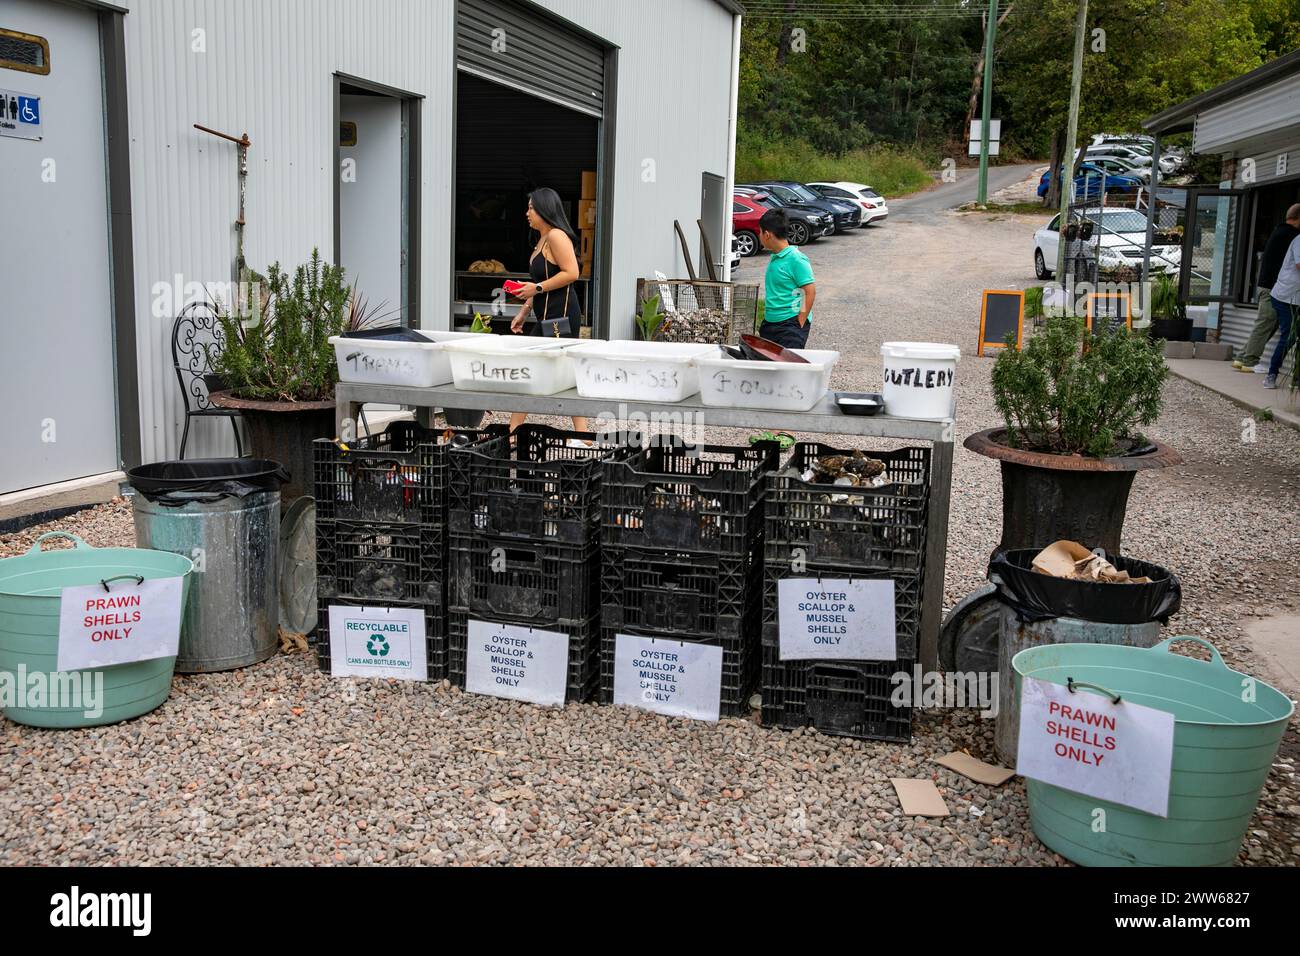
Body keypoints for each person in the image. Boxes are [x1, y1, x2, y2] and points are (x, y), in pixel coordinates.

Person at [506, 187, 588, 432]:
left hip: (559, 317)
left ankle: (513, 433)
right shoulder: (541, 239)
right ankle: (583, 437)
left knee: (539, 369)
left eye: (531, 207)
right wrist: (525, 307)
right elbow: (541, 281)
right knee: (538, 370)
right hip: (546, 315)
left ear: (544, 209)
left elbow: (572, 273)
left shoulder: (556, 236)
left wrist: (536, 288)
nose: (527, 212)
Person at [1234, 204, 1300, 373]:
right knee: (1265, 324)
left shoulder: (1279, 231)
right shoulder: (1291, 235)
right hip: (1272, 287)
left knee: (1267, 324)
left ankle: (1242, 357)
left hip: (1267, 285)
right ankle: (1249, 361)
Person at [756, 208, 817, 350]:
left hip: (790, 326)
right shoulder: (775, 257)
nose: (759, 235)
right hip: (770, 324)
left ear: (767, 234)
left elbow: (810, 291)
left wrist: (800, 321)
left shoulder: (796, 259)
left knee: (788, 369)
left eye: (760, 232)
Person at [1264, 228, 1300, 390]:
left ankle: (1296, 378)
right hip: (1285, 297)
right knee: (1290, 335)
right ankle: (1271, 374)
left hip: (1296, 298)